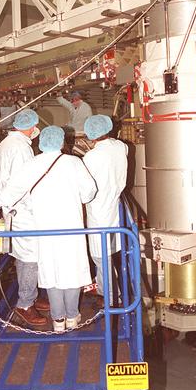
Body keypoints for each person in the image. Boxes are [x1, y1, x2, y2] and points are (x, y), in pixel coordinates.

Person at [0, 125, 97, 332]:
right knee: (72, 271)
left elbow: (12, 190)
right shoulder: (74, 162)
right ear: (62, 142)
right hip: (71, 229)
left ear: (42, 143)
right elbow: (89, 192)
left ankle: (58, 320)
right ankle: (72, 317)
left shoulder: (32, 164)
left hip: (44, 229)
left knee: (51, 272)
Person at [0, 108, 47, 325]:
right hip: (21, 210)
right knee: (30, 256)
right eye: (34, 126)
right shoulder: (21, 148)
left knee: (22, 255)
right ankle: (25, 304)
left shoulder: (5, 144)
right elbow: (22, 183)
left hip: (11, 208)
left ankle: (30, 296)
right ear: (31, 126)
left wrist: (0, 199)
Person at [83, 115, 128, 306]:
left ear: (91, 135)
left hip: (98, 210)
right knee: (109, 253)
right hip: (115, 206)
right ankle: (104, 289)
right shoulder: (121, 146)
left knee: (100, 256)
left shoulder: (91, 157)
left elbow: (86, 189)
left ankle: (110, 298)